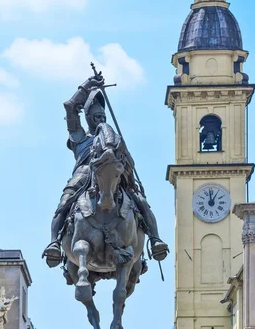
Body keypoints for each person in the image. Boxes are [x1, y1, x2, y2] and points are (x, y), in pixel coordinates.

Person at [42, 75, 168, 267]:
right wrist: (87, 86)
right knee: (65, 202)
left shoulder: (113, 138)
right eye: (96, 117)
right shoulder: (79, 137)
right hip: (84, 174)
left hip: (114, 174)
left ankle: (155, 239)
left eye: (103, 117)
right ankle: (55, 243)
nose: (100, 120)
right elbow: (70, 106)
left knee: (140, 202)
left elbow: (127, 160)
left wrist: (125, 163)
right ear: (88, 118)